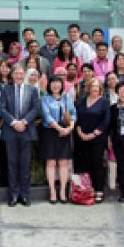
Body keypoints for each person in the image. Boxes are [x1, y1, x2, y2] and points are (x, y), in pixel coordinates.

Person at [0, 65, 40, 207]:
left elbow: (35, 108)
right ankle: (13, 195)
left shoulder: (32, 90)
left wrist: (24, 122)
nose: (18, 76)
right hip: (11, 131)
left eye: (21, 73)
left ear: (24, 75)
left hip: (26, 131)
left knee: (25, 165)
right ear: (12, 75)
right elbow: (2, 108)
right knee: (12, 164)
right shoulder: (5, 89)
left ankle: (25, 195)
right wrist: (14, 122)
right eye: (16, 73)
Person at [74, 77, 110, 203]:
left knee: (97, 165)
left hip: (97, 139)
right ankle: (87, 190)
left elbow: (106, 120)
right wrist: (80, 132)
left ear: (100, 88)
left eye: (97, 85)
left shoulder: (104, 101)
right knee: (85, 164)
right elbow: (77, 118)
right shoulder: (82, 101)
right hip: (82, 138)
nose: (94, 88)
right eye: (92, 85)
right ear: (88, 88)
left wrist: (94, 134)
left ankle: (99, 189)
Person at [40, 76, 76, 204]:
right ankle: (52, 191)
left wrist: (69, 128)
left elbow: (73, 114)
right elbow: (46, 116)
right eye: (53, 83)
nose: (56, 86)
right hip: (50, 132)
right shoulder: (45, 99)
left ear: (62, 85)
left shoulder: (67, 98)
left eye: (58, 83)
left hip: (65, 132)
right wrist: (60, 129)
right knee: (51, 162)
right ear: (49, 85)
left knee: (63, 163)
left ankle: (62, 191)